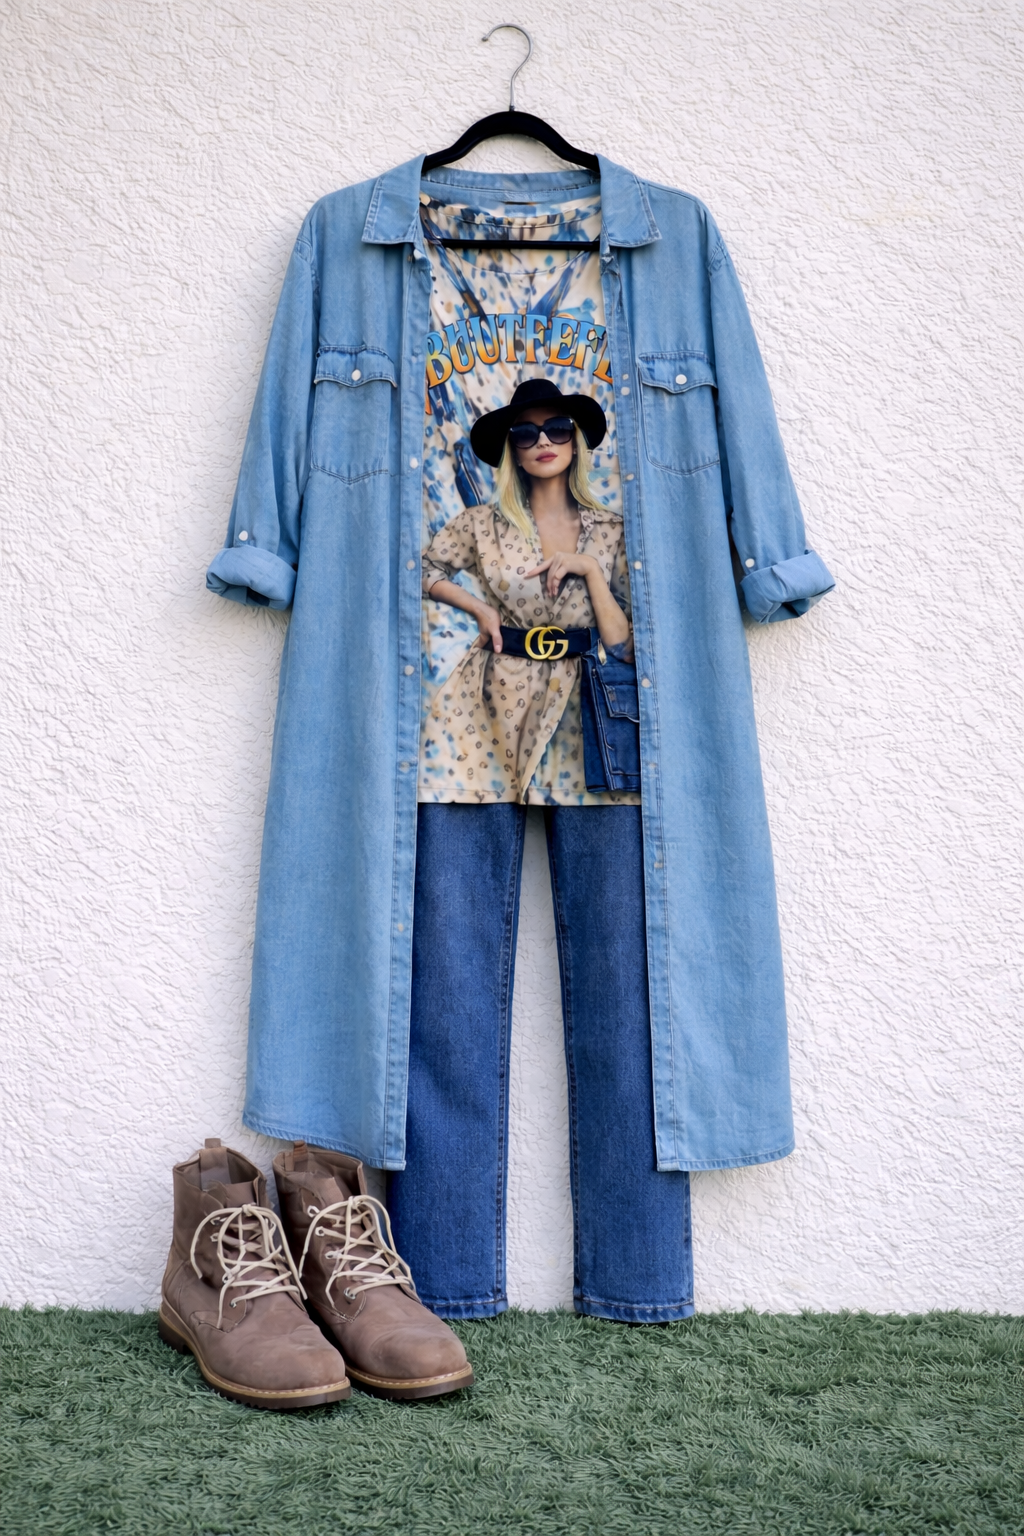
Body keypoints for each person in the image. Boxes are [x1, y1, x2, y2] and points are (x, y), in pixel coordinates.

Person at [387, 380, 694, 1325]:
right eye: (525, 433)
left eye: (558, 428)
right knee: (449, 985)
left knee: (622, 990)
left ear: (578, 441)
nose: (543, 442)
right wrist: (478, 612)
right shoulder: (482, 526)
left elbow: (623, 640)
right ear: (508, 449)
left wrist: (594, 578)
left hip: (591, 728)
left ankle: (636, 1281)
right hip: (478, 719)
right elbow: (418, 566)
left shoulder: (609, 532)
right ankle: (443, 1281)